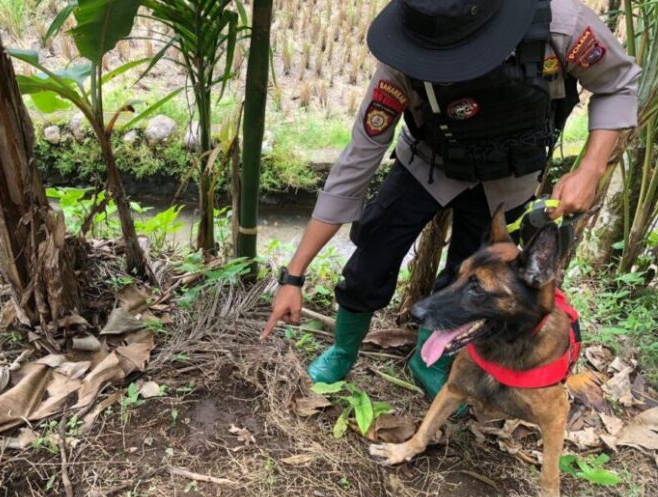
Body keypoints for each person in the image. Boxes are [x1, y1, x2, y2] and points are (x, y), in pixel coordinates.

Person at [261, 0, 641, 398]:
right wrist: (294, 275)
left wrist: (590, 170)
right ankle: (343, 349)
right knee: (374, 250)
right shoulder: (401, 59)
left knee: (469, 272)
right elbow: (355, 164)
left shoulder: (559, 25)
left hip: (509, 179)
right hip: (427, 165)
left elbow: (617, 81)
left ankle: (434, 360)